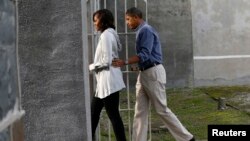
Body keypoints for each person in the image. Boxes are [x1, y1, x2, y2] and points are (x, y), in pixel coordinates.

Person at [112, 7, 195, 141]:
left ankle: (187, 138)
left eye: (128, 19)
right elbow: (147, 57)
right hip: (145, 73)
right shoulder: (142, 31)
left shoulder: (146, 30)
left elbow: (145, 54)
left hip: (153, 73)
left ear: (136, 17)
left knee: (162, 110)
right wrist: (137, 67)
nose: (127, 23)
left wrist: (125, 62)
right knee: (140, 111)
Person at [89, 9, 127, 141]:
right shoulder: (112, 33)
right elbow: (118, 50)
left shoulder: (106, 35)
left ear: (103, 21)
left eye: (96, 20)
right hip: (105, 83)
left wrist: (91, 66)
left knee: (113, 116)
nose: (94, 23)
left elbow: (106, 60)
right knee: (94, 113)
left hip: (108, 82)